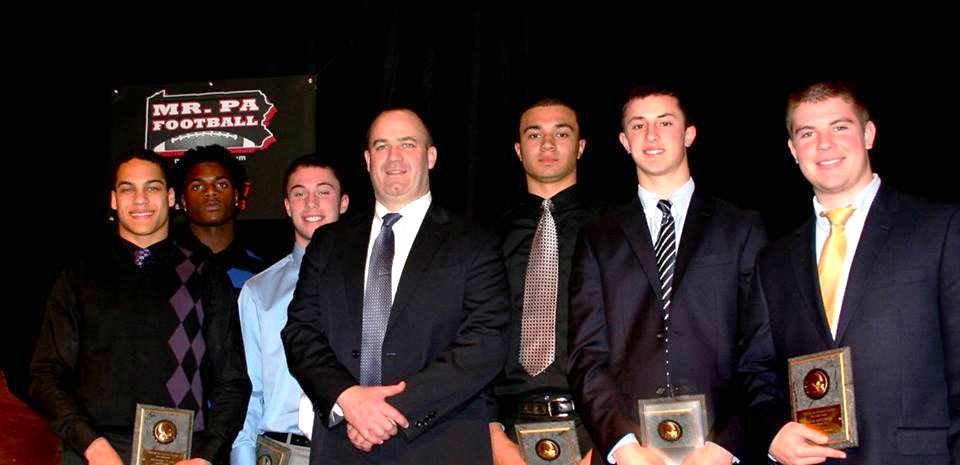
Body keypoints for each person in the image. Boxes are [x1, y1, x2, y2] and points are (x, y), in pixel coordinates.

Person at [281, 108, 511, 464]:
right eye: (382, 146)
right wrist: (349, 399)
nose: (394, 157)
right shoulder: (328, 243)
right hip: (342, 445)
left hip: (440, 444)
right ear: (367, 159)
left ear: (430, 156)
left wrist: (387, 411)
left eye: (407, 144)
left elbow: (486, 343)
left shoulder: (474, 241)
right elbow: (300, 332)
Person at [755, 81, 959, 464]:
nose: (824, 144)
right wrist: (773, 431)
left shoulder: (941, 229)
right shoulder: (773, 260)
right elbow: (758, 371)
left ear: (868, 134)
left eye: (840, 127)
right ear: (792, 150)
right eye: (808, 133)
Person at [567, 84, 771, 465]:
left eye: (665, 122)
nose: (652, 135)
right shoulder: (597, 237)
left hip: (721, 452)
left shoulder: (741, 227)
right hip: (633, 454)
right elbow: (586, 356)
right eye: (639, 126)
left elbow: (761, 347)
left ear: (689, 134)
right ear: (625, 141)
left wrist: (727, 445)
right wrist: (622, 447)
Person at [30, 149, 250, 465]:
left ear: (171, 197)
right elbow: (44, 374)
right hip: (93, 453)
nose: (140, 199)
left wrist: (207, 456)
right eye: (127, 189)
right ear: (113, 200)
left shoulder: (206, 275)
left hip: (182, 454)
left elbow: (233, 381)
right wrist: (90, 444)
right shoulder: (79, 275)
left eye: (152, 187)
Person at [488, 98, 600, 465]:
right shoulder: (485, 239)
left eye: (561, 133)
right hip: (506, 431)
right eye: (535, 134)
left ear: (580, 147)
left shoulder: (613, 232)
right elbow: (471, 336)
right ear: (519, 150)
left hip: (595, 426)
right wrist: (491, 434)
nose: (548, 144)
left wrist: (608, 442)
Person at [231, 155, 350, 465]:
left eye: (324, 191)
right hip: (279, 452)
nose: (311, 203)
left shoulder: (374, 285)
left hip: (352, 449)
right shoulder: (259, 292)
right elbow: (248, 390)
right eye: (299, 193)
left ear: (344, 202)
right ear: (287, 205)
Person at [174, 144, 265, 294]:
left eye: (222, 185)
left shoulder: (262, 271)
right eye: (197, 187)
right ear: (183, 201)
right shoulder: (166, 266)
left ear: (236, 197)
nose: (211, 192)